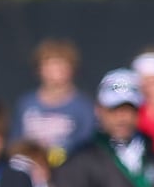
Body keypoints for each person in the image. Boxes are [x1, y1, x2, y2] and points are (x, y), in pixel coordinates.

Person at [11, 39, 97, 168]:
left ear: (72, 69)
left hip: (70, 173)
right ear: (39, 69)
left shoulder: (83, 106)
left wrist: (57, 155)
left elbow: (87, 144)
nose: (55, 71)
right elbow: (15, 143)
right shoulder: (26, 103)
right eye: (49, 65)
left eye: (61, 65)